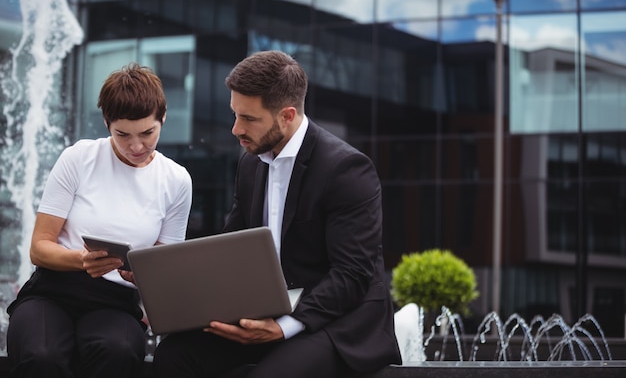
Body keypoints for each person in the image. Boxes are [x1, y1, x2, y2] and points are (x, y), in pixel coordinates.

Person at [153, 50, 401, 378]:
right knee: (173, 356)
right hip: (267, 312)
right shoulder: (250, 162)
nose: (235, 129)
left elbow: (352, 275)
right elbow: (231, 248)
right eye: (235, 114)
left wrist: (281, 327)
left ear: (286, 116)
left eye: (249, 119)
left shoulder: (346, 169)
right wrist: (172, 286)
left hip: (335, 323)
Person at [6, 62, 193, 378]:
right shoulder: (78, 158)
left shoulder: (176, 180)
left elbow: (164, 270)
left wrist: (143, 278)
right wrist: (81, 260)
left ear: (162, 117)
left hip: (116, 302)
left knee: (117, 350)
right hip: (52, 290)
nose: (136, 146)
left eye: (147, 133)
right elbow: (39, 248)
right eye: (122, 134)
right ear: (107, 123)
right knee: (42, 354)